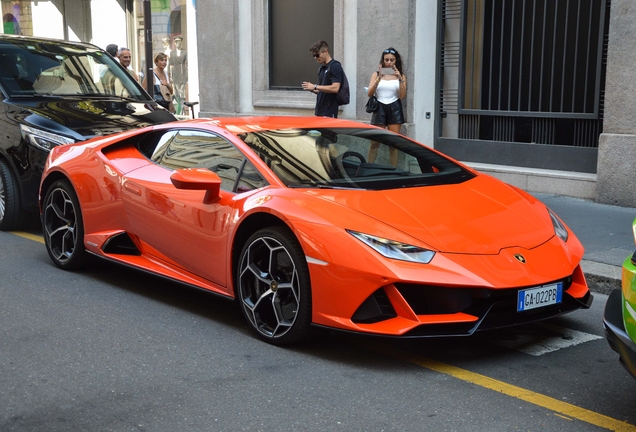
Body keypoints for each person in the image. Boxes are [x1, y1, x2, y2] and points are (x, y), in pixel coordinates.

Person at [367, 47, 406, 167]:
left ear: (396, 61)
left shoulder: (401, 76)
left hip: (394, 107)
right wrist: (379, 78)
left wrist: (399, 78)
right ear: (383, 61)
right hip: (380, 107)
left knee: (393, 144)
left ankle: (394, 170)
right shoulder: (376, 74)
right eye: (386, 60)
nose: (389, 62)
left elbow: (402, 95)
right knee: (374, 142)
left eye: (392, 60)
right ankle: (368, 167)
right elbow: (369, 93)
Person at [301, 40, 343, 118]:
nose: (315, 58)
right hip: (319, 111)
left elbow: (335, 88)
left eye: (317, 55)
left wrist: (315, 86)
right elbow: (323, 91)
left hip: (329, 112)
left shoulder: (335, 66)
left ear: (325, 51)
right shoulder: (322, 68)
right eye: (313, 56)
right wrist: (312, 89)